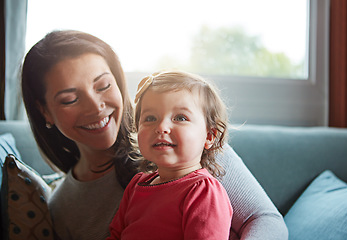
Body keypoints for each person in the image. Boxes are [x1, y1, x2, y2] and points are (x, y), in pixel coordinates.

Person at [21, 30, 288, 240]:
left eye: (103, 85)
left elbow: (265, 221)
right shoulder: (63, 208)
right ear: (44, 111)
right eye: (70, 99)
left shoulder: (186, 144)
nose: (96, 106)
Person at [107, 71, 233, 239]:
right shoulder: (137, 183)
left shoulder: (203, 191)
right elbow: (116, 235)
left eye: (180, 118)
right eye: (150, 118)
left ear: (209, 136)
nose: (161, 127)